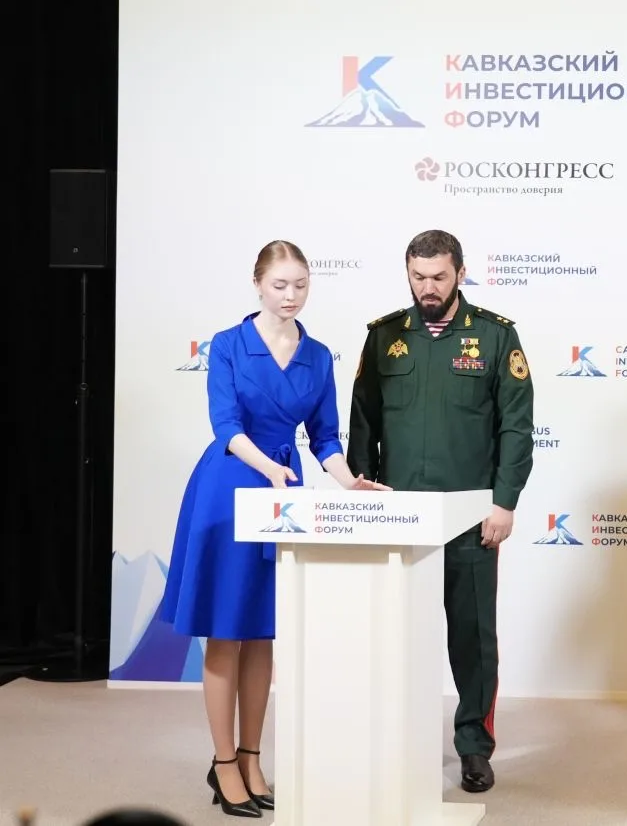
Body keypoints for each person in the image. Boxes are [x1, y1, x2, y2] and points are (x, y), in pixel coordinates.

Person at [156, 240, 390, 819]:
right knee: (225, 631)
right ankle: (223, 763)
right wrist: (269, 469)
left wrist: (349, 481)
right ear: (258, 283)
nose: (291, 296)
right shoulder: (228, 344)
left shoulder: (319, 355)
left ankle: (252, 757)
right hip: (231, 487)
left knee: (262, 633)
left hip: (284, 494)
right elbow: (226, 425)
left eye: (300, 285)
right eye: (280, 285)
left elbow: (325, 437)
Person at [347, 229, 534, 794]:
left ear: (460, 273)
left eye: (438, 277)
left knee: (472, 638)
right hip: (398, 516)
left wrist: (504, 502)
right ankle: (393, 741)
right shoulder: (384, 337)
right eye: (418, 277)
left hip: (471, 517)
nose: (427, 287)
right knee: (394, 636)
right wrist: (362, 492)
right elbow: (363, 422)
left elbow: (515, 426)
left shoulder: (495, 336)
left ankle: (474, 746)